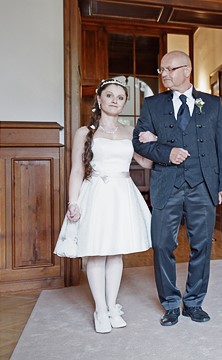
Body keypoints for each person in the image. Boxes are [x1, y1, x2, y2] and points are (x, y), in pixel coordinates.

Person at [132, 50, 222, 326]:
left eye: (169, 69)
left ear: (187, 70)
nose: (164, 74)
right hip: (167, 184)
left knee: (201, 245)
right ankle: (170, 304)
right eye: (161, 70)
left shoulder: (212, 104)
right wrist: (167, 152)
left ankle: (193, 302)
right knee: (163, 243)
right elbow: (139, 142)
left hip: (203, 185)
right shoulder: (152, 104)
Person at [54, 78, 153, 333]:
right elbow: (77, 169)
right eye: (110, 96)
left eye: (120, 98)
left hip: (122, 194)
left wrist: (152, 141)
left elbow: (146, 164)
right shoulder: (84, 132)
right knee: (97, 251)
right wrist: (73, 201)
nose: (115, 101)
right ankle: (100, 309)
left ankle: (111, 306)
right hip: (96, 192)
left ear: (124, 103)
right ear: (99, 99)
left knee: (116, 252)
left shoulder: (130, 131)